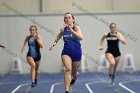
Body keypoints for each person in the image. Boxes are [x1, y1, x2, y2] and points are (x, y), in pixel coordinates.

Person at [49, 12, 83, 93]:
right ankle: (67, 90)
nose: (67, 19)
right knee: (68, 68)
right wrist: (54, 43)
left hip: (77, 52)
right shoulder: (63, 29)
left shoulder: (76, 28)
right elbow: (58, 36)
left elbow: (81, 37)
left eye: (69, 17)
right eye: (65, 18)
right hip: (66, 52)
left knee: (74, 73)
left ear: (73, 19)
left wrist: (72, 31)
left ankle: (74, 79)